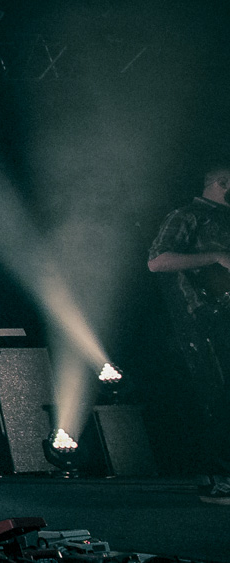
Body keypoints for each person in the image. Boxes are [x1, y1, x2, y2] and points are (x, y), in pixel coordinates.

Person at [148, 166, 230, 505]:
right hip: (206, 317)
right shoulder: (188, 215)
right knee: (220, 394)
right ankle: (221, 478)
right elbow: (156, 260)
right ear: (220, 184)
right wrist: (215, 255)